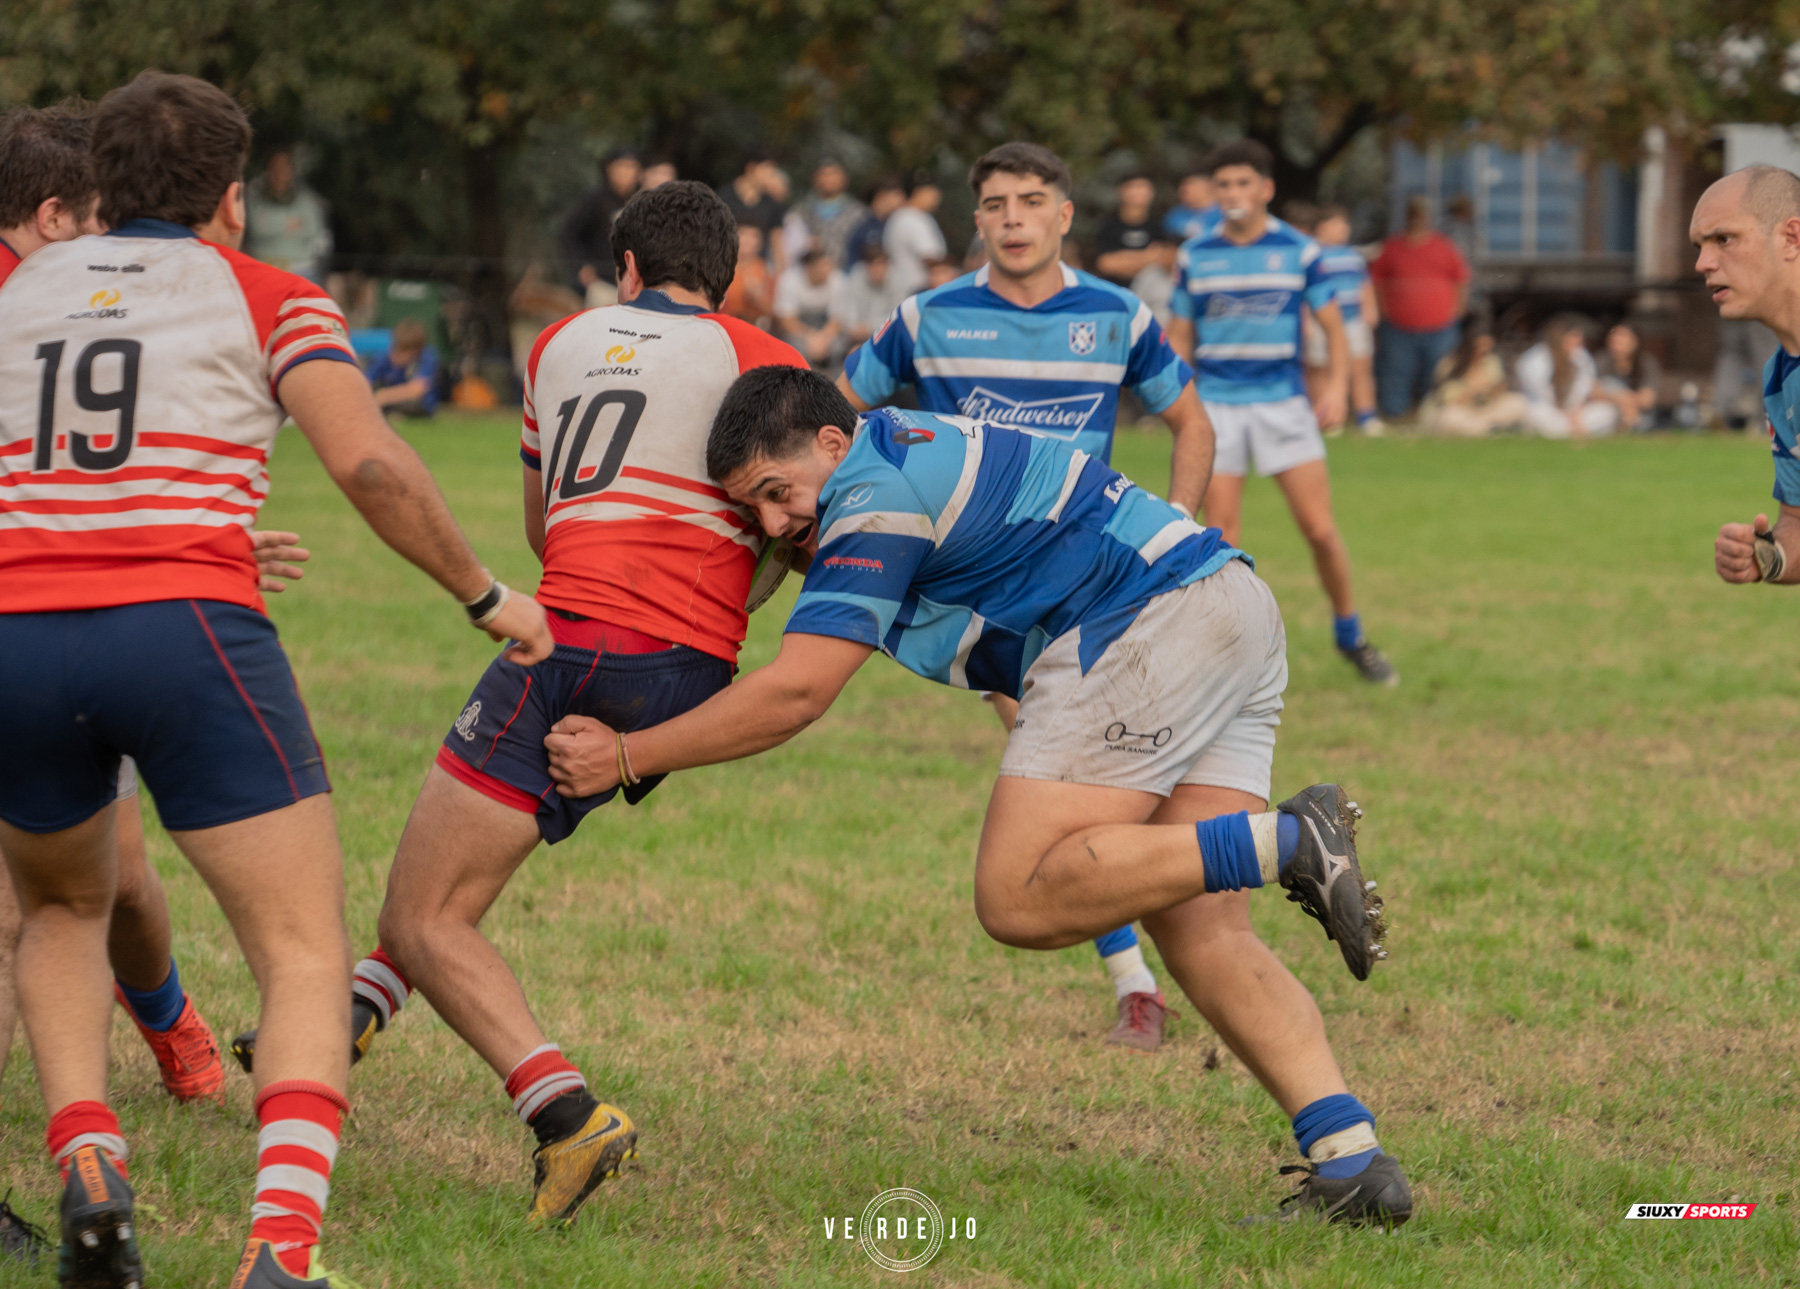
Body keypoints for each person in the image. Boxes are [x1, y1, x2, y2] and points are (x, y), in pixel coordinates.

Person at [543, 366, 1414, 1227]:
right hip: (1229, 603)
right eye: (753, 510)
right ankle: (1353, 1163)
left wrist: (628, 754)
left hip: (1145, 622)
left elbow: (797, 694)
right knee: (1200, 924)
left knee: (1017, 892)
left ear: (832, 443)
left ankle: (1287, 841)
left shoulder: (874, 494)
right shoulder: (893, 456)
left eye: (777, 492)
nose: (774, 524)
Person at [0, 71, 553, 1289]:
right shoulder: (265, 293)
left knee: (58, 910)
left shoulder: (20, 287)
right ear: (234, 198)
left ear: (98, 186)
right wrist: (485, 592)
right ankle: (280, 1251)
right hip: (185, 626)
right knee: (302, 950)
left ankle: (90, 1159)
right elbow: (367, 462)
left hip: (18, 631)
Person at [232, 181, 811, 1228]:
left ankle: (567, 1113)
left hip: (573, 633)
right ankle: (352, 1008)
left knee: (425, 906)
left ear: (625, 265)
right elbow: (797, 517)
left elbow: (550, 528)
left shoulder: (558, 343)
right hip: (692, 663)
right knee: (452, 874)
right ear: (725, 279)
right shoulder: (768, 358)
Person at [838, 141, 1218, 1053]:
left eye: (1031, 200)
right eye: (996, 203)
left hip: (1103, 578)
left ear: (1063, 216)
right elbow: (825, 415)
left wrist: (1178, 527)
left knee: (1111, 781)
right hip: (989, 597)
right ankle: (1138, 980)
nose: (1012, 217)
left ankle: (1185, 929)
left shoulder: (1118, 315)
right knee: (1062, 770)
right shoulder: (925, 318)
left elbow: (1191, 421)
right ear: (976, 220)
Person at [0, 99, 307, 1114]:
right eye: (97, 218)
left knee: (119, 881)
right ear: (52, 215)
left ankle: (168, 1020)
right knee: (31, 902)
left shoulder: (67, 294)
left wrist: (176, 527)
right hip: (47, 617)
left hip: (83, 606)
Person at [1167, 140, 1399, 688]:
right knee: (1222, 540)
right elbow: (1178, 336)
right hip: (1217, 407)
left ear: (1265, 189)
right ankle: (1224, 655)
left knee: (1319, 530)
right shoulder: (1195, 254)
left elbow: (1335, 326)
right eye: (1223, 185)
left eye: (1243, 184)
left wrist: (1338, 388)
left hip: (1283, 405)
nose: (1233, 195)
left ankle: (1351, 635)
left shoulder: (1299, 251)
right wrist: (1178, 403)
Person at [1703, 166, 1800, 588]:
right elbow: (1796, 522)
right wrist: (1768, 556)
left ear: (1791, 238)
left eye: (1724, 239)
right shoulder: (1779, 378)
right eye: (1700, 246)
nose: (1703, 262)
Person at [1369, 196, 1470, 419]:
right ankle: (1395, 415)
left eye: (1422, 215)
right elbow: (1375, 281)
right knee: (1396, 372)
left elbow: (1461, 278)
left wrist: (1457, 309)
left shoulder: (1443, 247)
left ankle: (1432, 415)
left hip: (1440, 326)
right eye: (1414, 214)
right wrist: (1383, 310)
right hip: (1398, 326)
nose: (1417, 220)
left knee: (1438, 374)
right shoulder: (1392, 248)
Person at [1303, 205, 1383, 434]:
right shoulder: (1311, 255)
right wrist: (1306, 321)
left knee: (1360, 367)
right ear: (1322, 227)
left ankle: (1366, 416)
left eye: (1345, 225)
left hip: (1353, 321)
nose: (1343, 229)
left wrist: (1370, 309)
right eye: (1337, 224)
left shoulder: (1353, 255)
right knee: (1320, 371)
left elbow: (1364, 285)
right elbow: (1304, 292)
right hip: (1322, 324)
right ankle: (1327, 419)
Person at [558, 147, 642, 306]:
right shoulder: (595, 199)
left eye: (631, 167)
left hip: (637, 287)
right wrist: (581, 266)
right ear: (609, 168)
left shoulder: (642, 200)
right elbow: (568, 233)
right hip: (603, 283)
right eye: (621, 166)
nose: (626, 172)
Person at [1515, 315, 1619, 439]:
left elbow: (1583, 389)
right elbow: (1539, 394)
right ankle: (1569, 431)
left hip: (1574, 413)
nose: (1578, 341)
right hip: (1547, 410)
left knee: (1608, 412)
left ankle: (1569, 431)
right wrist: (1563, 413)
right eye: (1574, 336)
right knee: (1533, 413)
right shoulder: (1534, 359)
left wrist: (1575, 413)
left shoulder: (1581, 357)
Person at [1416, 323, 1528, 436]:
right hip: (1462, 410)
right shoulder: (1449, 364)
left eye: (1487, 347)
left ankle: (1489, 427)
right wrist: (1473, 391)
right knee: (1449, 416)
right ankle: (1490, 429)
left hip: (1486, 409)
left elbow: (1500, 390)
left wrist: (1493, 391)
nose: (1484, 351)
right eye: (1481, 346)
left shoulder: (1491, 361)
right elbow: (1447, 399)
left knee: (1517, 402)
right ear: (1470, 346)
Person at [243, 146, 332, 283]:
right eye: (276, 168)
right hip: (264, 269)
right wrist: (292, 223)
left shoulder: (306, 200)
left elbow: (312, 230)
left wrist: (273, 223)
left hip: (302, 270)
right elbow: (258, 228)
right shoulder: (255, 200)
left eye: (285, 167)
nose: (281, 173)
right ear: (268, 170)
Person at [774, 247, 847, 369]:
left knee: (839, 346)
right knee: (795, 347)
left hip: (825, 328)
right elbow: (787, 321)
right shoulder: (789, 280)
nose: (829, 270)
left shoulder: (838, 280)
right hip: (799, 329)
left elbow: (837, 320)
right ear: (810, 268)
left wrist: (823, 338)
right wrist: (810, 336)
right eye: (824, 266)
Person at [718, 149, 789, 271]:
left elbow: (777, 244)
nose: (770, 175)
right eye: (767, 169)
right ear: (751, 168)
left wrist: (780, 274)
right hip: (723, 268)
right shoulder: (722, 199)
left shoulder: (772, 205)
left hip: (757, 273)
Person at [790, 157, 867, 266]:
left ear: (844, 179)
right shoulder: (801, 211)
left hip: (847, 274)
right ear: (814, 178)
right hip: (810, 276)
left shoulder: (859, 213)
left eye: (834, 174)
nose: (828, 178)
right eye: (823, 174)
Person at [831, 244, 907, 348]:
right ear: (866, 266)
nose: (876, 269)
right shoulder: (856, 277)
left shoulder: (898, 281)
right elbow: (848, 312)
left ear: (887, 265)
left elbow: (898, 316)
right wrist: (854, 327)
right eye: (872, 265)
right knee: (848, 349)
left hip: (888, 337)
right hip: (858, 338)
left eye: (880, 264)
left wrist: (869, 327)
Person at [883, 171, 947, 295]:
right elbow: (931, 259)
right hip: (919, 292)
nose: (937, 196)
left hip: (901, 291)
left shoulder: (898, 216)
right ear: (918, 192)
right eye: (932, 191)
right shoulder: (915, 219)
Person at [365, 316, 440, 417]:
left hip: (415, 405)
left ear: (416, 352)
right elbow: (367, 382)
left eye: (405, 353)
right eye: (397, 349)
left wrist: (384, 396)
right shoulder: (384, 357)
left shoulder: (426, 358)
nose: (398, 356)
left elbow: (417, 390)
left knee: (415, 403)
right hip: (388, 401)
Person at [1593, 322, 1661, 431]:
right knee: (1608, 382)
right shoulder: (1602, 360)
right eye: (1615, 340)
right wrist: (1620, 398)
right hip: (1610, 411)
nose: (1617, 343)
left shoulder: (1646, 362)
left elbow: (1648, 399)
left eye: (1623, 339)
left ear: (1635, 342)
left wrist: (1627, 400)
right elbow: (1595, 393)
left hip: (1640, 415)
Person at [843, 175, 906, 269]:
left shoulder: (900, 224)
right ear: (880, 196)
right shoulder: (862, 228)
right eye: (896, 195)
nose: (902, 200)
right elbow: (852, 266)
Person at [720, 222, 775, 327]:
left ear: (760, 243)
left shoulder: (765, 270)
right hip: (724, 325)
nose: (748, 240)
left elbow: (773, 313)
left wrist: (757, 297)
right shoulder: (720, 268)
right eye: (744, 234)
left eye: (753, 236)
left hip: (754, 326)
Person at [1163, 170, 1221, 244]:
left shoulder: (1224, 212)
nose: (1186, 189)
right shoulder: (1174, 216)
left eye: (1191, 184)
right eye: (1182, 185)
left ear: (1208, 184)